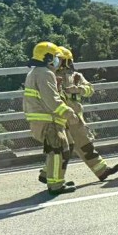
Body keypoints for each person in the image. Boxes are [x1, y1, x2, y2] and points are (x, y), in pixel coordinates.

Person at [41, 47, 118, 184]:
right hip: (60, 118)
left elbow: (90, 89)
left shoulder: (76, 76)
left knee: (82, 145)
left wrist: (78, 89)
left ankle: (101, 170)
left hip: (74, 118)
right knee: (63, 149)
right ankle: (48, 175)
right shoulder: (50, 76)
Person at [23, 41, 77, 195]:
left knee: (60, 147)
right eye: (55, 58)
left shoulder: (34, 72)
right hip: (48, 120)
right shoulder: (45, 73)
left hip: (41, 120)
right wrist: (68, 113)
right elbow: (52, 100)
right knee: (57, 150)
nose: (57, 61)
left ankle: (47, 175)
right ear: (47, 58)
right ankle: (56, 185)